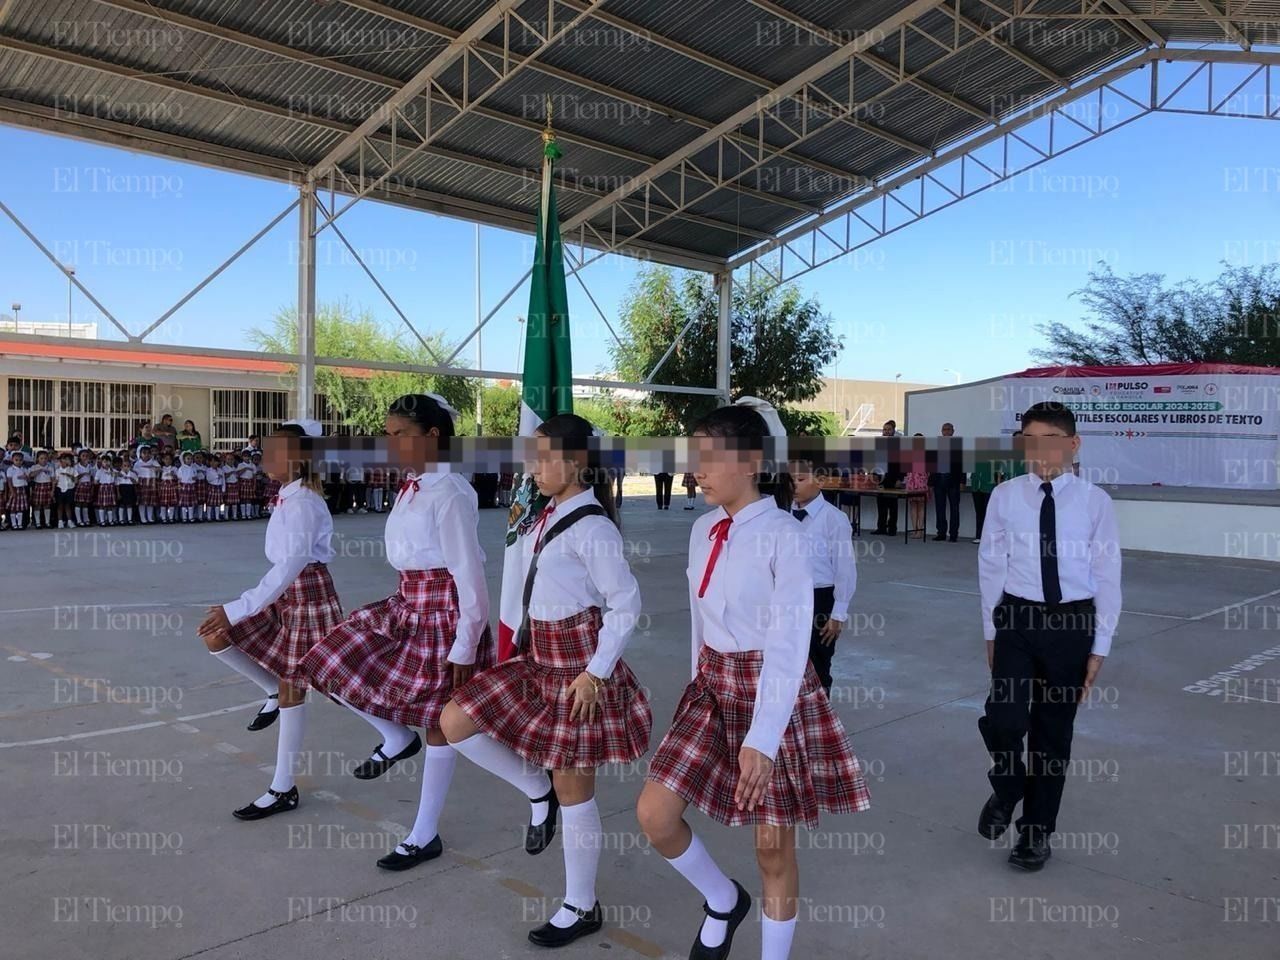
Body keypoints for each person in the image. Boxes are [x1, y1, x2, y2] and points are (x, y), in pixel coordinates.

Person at [638, 399, 870, 960]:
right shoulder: (702, 529)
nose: (698, 469)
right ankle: (722, 899)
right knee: (655, 814)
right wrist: (697, 685)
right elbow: (699, 620)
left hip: (772, 692)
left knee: (772, 849)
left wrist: (762, 739)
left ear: (751, 462)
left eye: (710, 457)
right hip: (712, 687)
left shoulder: (785, 536)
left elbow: (792, 646)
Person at [441, 413, 650, 949]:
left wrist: (595, 673)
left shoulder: (593, 525)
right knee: (456, 721)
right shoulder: (545, 514)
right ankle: (535, 792)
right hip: (539, 655)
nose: (532, 467)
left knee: (574, 787)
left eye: (544, 457)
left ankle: (581, 904)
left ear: (576, 463)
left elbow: (626, 604)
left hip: (579, 664)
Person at [304, 394, 494, 871]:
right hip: (407, 598)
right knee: (328, 658)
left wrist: (465, 642)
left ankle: (423, 833)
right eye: (387, 436)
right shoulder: (414, 486)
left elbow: (469, 573)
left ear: (432, 436)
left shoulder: (449, 492)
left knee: (436, 721)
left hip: (442, 607)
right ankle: (394, 738)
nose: (390, 445)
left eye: (400, 435)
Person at [977, 402, 1121, 872]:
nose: (1037, 452)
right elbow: (990, 565)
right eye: (1029, 441)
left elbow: (1108, 576)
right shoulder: (1005, 496)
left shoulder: (1095, 502)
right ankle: (1009, 785)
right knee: (1003, 719)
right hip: (1017, 620)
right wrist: (989, 630)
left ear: (1072, 444)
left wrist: (1099, 646)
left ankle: (1035, 833)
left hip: (1071, 625)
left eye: (1048, 441)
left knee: (1051, 736)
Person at [196, 418, 343, 821]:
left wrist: (237, 607)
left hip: (306, 594)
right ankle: (271, 693)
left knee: (315, 685)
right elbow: (279, 570)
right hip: (284, 594)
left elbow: (290, 567)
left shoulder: (303, 503)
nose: (265, 456)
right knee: (218, 639)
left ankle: (283, 787)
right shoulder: (287, 495)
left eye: (275, 450)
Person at [789, 459, 856, 696]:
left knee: (818, 662)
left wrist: (838, 613)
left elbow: (845, 568)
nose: (794, 485)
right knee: (786, 661)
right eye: (790, 480)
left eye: (800, 479)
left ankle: (820, 719)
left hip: (820, 598)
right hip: (787, 596)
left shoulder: (834, 519)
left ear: (820, 481)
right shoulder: (780, 516)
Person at [929, 422, 963, 542]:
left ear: (953, 431)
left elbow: (962, 465)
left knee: (954, 509)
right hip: (939, 482)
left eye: (949, 429)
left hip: (953, 482)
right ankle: (941, 533)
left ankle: (953, 534)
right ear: (941, 431)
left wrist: (962, 482)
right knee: (940, 508)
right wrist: (930, 484)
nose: (946, 432)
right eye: (944, 429)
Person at [872, 419, 902, 536]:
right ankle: (881, 527)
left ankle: (892, 528)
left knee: (892, 504)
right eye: (884, 429)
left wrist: (899, 478)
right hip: (881, 477)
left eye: (889, 429)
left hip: (893, 477)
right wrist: (874, 475)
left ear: (893, 431)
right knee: (881, 503)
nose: (886, 432)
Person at [969, 444, 998, 544]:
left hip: (989, 488)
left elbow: (998, 474)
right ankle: (979, 535)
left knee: (989, 513)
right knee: (979, 513)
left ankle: (989, 537)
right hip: (976, 488)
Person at [904, 434, 929, 539]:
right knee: (913, 506)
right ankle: (914, 530)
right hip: (911, 482)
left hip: (922, 482)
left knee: (921, 506)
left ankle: (920, 530)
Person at [27, 450, 54, 530]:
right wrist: (40, 470)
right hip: (38, 486)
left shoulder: (50, 467)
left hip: (47, 486)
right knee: (37, 505)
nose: (44, 460)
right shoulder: (34, 467)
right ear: (38, 459)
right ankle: (38, 523)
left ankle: (47, 522)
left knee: (47, 505)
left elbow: (53, 479)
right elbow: (30, 475)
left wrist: (52, 490)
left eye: (45, 458)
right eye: (41, 458)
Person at [134, 444, 159, 525]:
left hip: (152, 482)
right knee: (142, 501)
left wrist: (153, 467)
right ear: (140, 454)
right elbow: (134, 473)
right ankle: (143, 518)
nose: (146, 455)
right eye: (144, 453)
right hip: (142, 482)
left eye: (148, 453)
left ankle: (149, 517)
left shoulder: (153, 461)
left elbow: (159, 469)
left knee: (150, 501)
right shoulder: (138, 463)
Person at [5, 449, 30, 530]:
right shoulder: (10, 469)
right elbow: (9, 481)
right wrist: (12, 491)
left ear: (23, 460)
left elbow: (28, 480)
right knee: (13, 508)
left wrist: (25, 477)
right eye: (16, 460)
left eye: (20, 460)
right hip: (14, 489)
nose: (18, 462)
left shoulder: (24, 469)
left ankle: (19, 524)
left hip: (22, 489)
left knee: (20, 508)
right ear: (12, 460)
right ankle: (13, 524)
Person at [73, 448, 96, 526]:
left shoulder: (90, 466)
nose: (85, 457)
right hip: (80, 485)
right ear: (79, 457)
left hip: (88, 485)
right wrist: (84, 473)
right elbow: (76, 477)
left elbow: (92, 477)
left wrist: (92, 487)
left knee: (86, 503)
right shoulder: (76, 467)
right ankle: (79, 520)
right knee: (79, 503)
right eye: (83, 456)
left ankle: (86, 520)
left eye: (87, 456)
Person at [93, 453, 117, 527]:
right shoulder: (99, 471)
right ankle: (102, 521)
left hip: (110, 487)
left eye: (108, 461)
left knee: (110, 505)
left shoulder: (112, 471)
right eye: (104, 462)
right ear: (102, 463)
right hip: (103, 488)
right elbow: (95, 481)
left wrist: (112, 473)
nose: (106, 463)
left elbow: (114, 479)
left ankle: (110, 520)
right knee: (101, 505)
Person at [54, 452, 77, 529]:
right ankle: (60, 521)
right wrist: (53, 489)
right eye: (64, 459)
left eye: (67, 459)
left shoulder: (72, 470)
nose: (65, 461)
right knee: (60, 506)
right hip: (60, 489)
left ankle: (69, 521)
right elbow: (55, 481)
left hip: (69, 489)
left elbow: (76, 480)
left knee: (68, 506)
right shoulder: (57, 470)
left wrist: (69, 475)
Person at [115, 455, 137, 525]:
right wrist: (118, 493)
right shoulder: (119, 474)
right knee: (122, 505)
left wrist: (131, 478)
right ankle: (121, 520)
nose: (126, 467)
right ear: (121, 466)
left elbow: (136, 482)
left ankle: (129, 519)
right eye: (124, 466)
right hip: (122, 488)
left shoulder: (133, 474)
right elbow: (117, 484)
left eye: (128, 466)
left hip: (130, 488)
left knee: (129, 505)